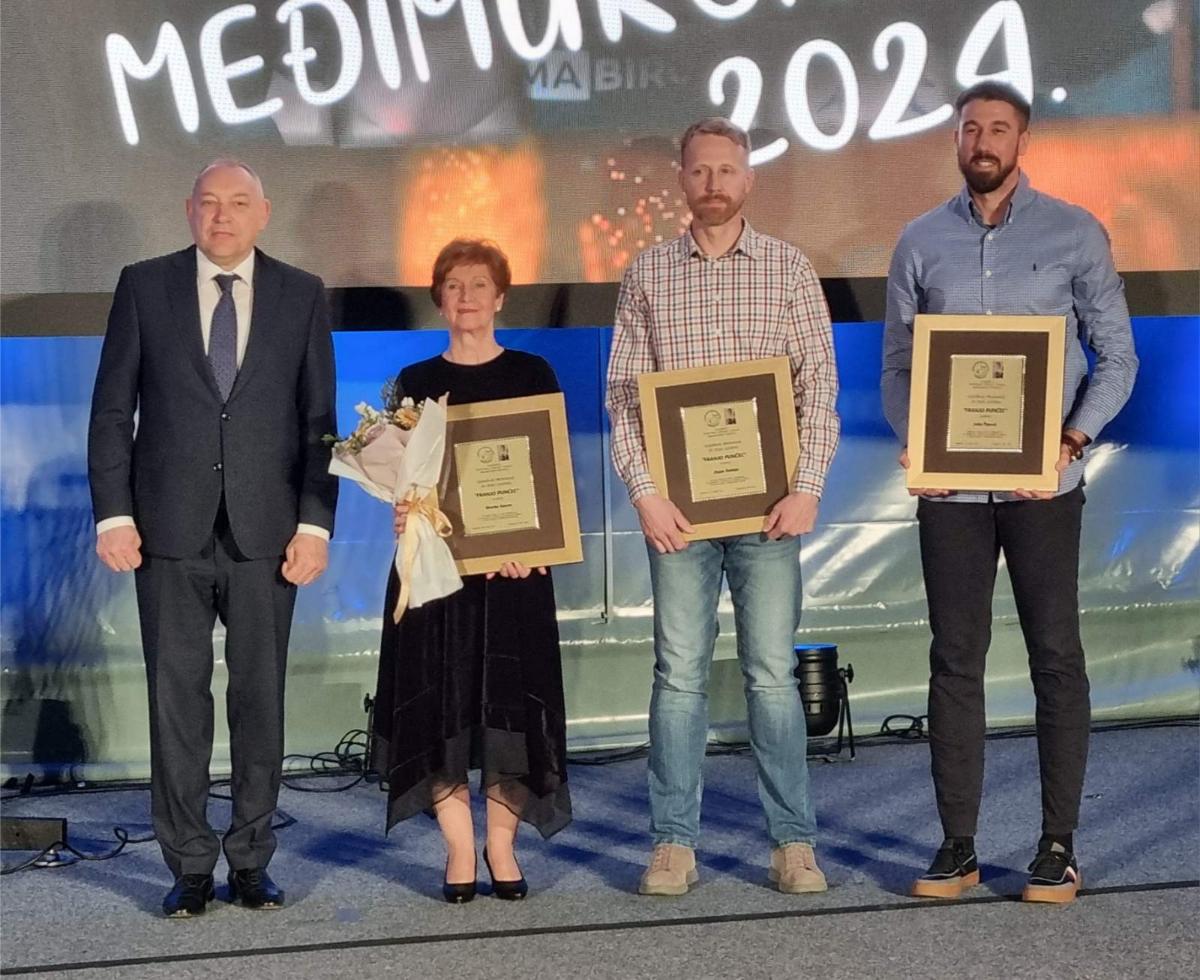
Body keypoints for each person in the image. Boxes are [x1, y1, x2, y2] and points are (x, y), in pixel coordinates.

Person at [881, 81, 1138, 905]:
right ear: (956, 141)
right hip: (950, 492)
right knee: (954, 661)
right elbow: (898, 366)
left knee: (1055, 656)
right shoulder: (919, 240)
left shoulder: (1074, 232)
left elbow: (1118, 357)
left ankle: (1058, 845)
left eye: (998, 128)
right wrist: (918, 442)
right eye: (970, 129)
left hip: (1044, 487)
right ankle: (957, 845)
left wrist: (1069, 440)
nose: (983, 141)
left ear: (1023, 141)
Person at [88, 160, 338, 917]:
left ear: (264, 212)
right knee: (176, 704)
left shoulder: (301, 292)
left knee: (260, 703)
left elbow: (319, 421)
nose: (222, 216)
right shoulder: (144, 285)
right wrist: (113, 514)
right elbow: (112, 410)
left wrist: (315, 523)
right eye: (209, 203)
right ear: (188, 210)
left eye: (237, 203)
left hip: (268, 536)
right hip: (166, 532)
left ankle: (252, 859)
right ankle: (190, 865)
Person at [605, 118, 840, 896]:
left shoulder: (788, 268)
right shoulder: (647, 273)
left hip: (772, 512)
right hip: (679, 517)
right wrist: (644, 493)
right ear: (682, 179)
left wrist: (808, 486)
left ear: (749, 179)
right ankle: (673, 845)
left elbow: (819, 388)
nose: (713, 183)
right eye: (700, 170)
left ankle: (793, 844)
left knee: (772, 676)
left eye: (727, 170)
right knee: (678, 676)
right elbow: (624, 398)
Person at [372, 238, 572, 903]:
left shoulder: (533, 373)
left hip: (514, 574)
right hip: (436, 576)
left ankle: (501, 845)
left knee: (510, 704)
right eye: (454, 286)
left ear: (501, 297)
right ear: (439, 298)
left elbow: (550, 477)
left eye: (479, 285)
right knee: (440, 708)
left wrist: (533, 542)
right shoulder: (413, 383)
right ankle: (459, 846)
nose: (466, 297)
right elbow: (405, 480)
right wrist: (404, 513)